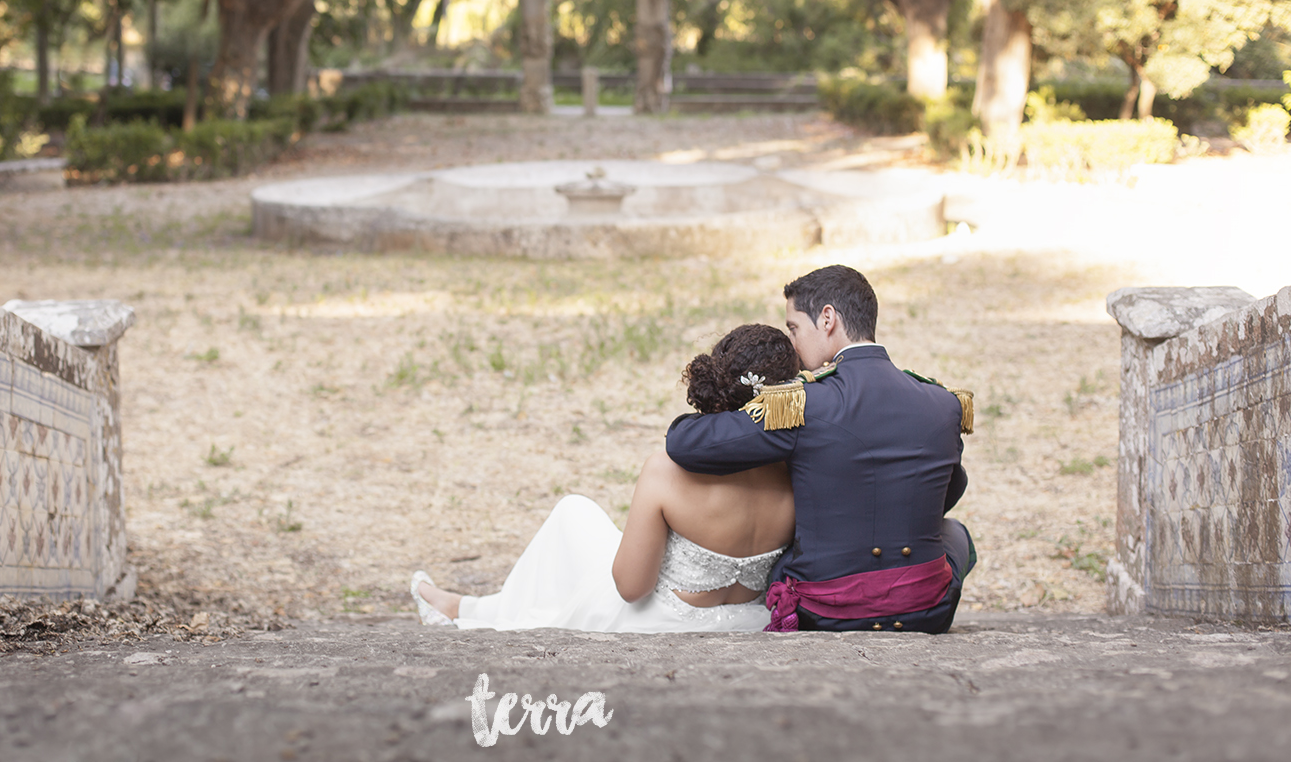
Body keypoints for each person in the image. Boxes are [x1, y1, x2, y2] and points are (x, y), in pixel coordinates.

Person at [410, 324, 798, 633]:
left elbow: (631, 589)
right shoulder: (799, 470)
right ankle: (468, 606)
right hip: (748, 620)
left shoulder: (666, 471)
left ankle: (467, 609)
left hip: (662, 623)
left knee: (572, 515)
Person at [664, 263, 975, 633]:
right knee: (956, 533)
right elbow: (949, 491)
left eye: (794, 327)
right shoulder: (942, 402)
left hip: (828, 609)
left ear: (827, 318)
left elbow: (686, 443)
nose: (792, 343)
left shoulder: (806, 403)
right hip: (928, 608)